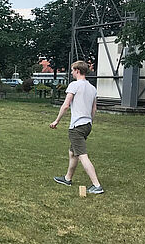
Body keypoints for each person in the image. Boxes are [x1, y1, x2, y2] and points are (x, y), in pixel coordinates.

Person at [49, 60, 104, 194]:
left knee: (82, 155)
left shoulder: (74, 85)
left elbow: (66, 105)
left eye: (73, 70)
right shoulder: (92, 88)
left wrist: (56, 121)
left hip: (77, 126)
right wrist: (90, 122)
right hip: (87, 125)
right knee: (73, 152)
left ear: (78, 71)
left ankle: (96, 185)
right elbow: (94, 109)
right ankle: (67, 178)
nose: (72, 73)